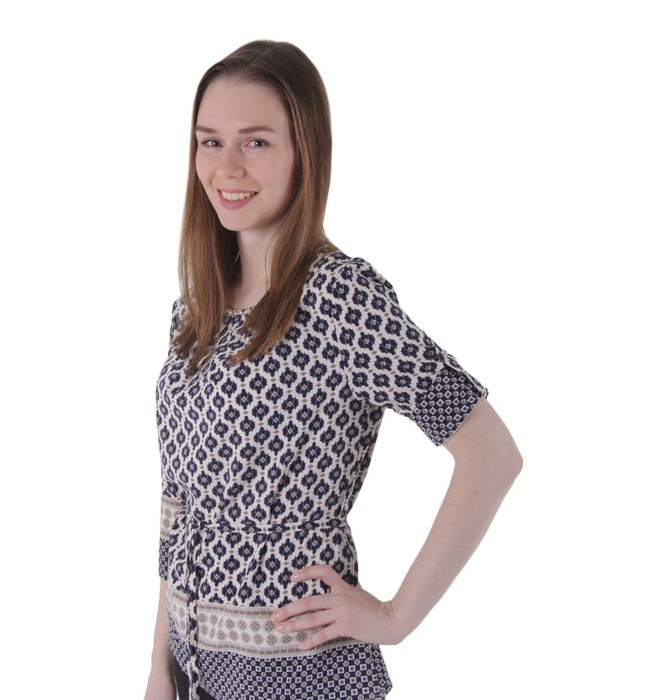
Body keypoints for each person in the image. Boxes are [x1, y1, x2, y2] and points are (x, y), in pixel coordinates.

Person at [143, 40, 522, 700]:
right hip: (194, 669)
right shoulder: (195, 310)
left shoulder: (339, 298)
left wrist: (396, 617)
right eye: (210, 142)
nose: (226, 166)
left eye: (256, 142)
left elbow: (491, 453)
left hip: (298, 673)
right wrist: (158, 670)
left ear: (305, 152)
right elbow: (180, 507)